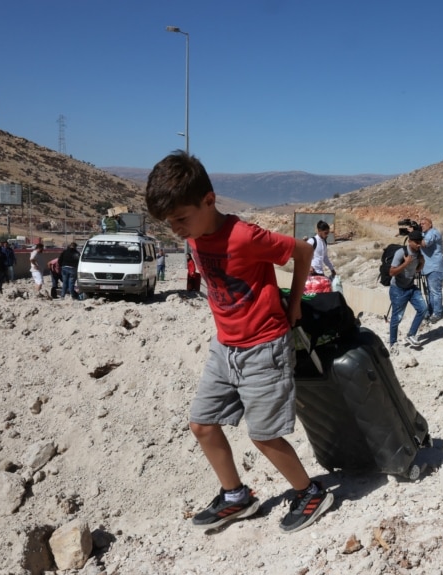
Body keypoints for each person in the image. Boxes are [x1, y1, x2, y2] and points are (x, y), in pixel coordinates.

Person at [145, 150, 332, 533]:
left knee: (263, 435)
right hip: (224, 347)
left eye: (181, 218)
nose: (177, 229)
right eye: (170, 223)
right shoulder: (196, 235)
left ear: (208, 201)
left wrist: (293, 304)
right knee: (202, 425)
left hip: (264, 347)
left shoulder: (245, 236)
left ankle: (310, 492)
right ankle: (236, 497)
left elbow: (303, 251)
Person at [388, 230, 428, 350]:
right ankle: (393, 343)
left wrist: (422, 263)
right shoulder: (401, 253)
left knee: (423, 309)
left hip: (411, 286)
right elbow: (391, 272)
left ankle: (411, 335)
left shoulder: (419, 252)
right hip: (398, 289)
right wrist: (406, 263)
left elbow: (416, 270)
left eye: (420, 242)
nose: (419, 244)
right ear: (410, 241)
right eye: (416, 242)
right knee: (397, 317)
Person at [419, 218, 443, 322]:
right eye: (420, 224)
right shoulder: (424, 234)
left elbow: (425, 243)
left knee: (435, 291)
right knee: (430, 291)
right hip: (428, 267)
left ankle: (437, 313)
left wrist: (414, 235)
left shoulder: (433, 233)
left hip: (435, 267)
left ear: (430, 224)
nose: (422, 225)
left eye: (424, 224)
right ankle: (431, 311)